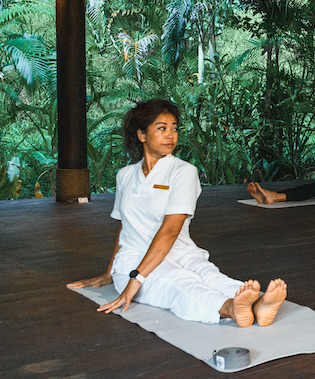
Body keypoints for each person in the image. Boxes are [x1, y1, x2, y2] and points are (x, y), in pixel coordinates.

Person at [69, 99, 287, 327]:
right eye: (162, 128)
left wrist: (136, 279)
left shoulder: (184, 171)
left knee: (209, 276)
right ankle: (230, 308)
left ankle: (259, 305)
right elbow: (125, 228)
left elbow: (171, 230)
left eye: (174, 128)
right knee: (179, 282)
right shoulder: (125, 175)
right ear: (141, 135)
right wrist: (114, 273)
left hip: (181, 252)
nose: (170, 135)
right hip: (134, 260)